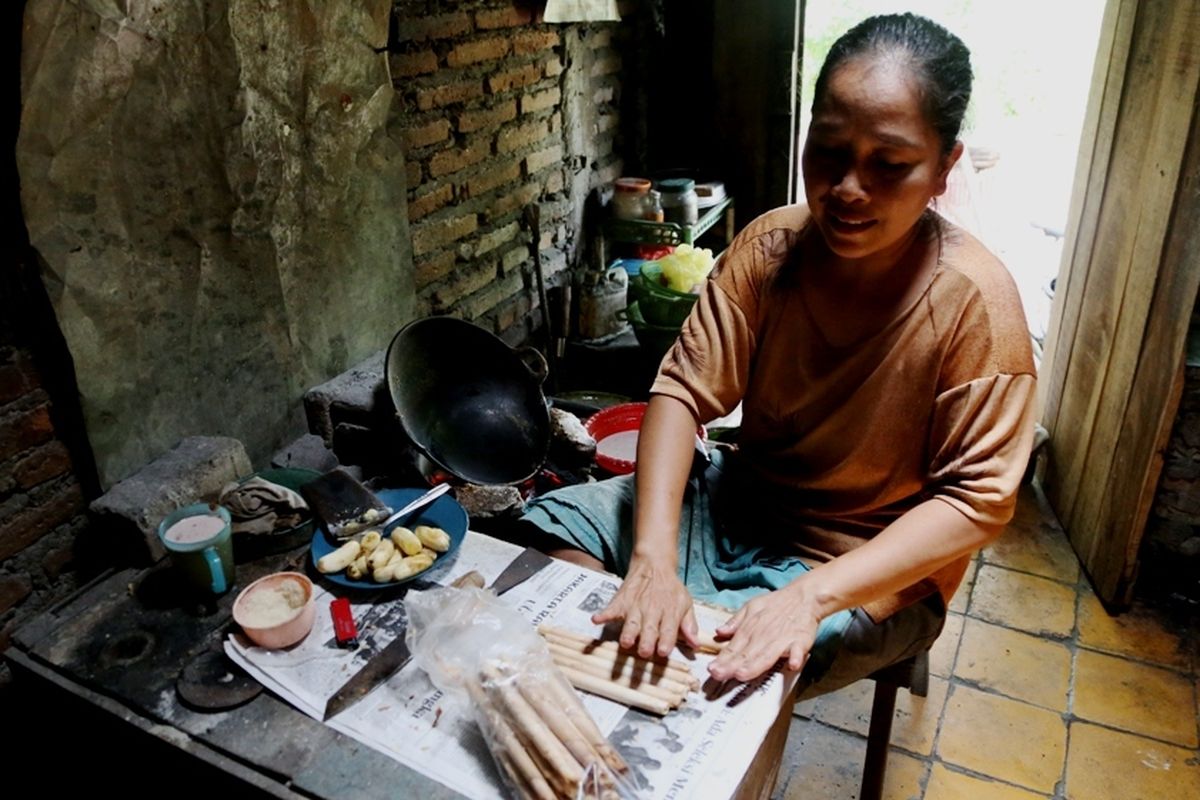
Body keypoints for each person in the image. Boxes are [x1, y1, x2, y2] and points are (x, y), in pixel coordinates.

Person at [521, 12, 1036, 696]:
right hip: (740, 500)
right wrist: (651, 561)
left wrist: (810, 598)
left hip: (866, 561)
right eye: (828, 150)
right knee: (554, 548)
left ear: (943, 168)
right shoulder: (770, 249)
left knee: (716, 675)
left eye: (889, 165)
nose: (847, 187)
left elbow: (978, 502)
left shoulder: (976, 305)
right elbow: (680, 392)